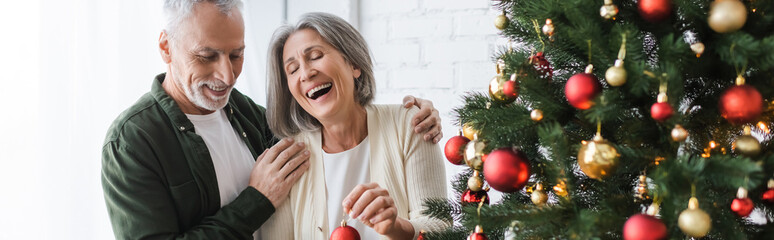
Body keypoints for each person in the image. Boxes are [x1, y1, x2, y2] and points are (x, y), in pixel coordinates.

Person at [101, 1, 443, 239]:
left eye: (236, 54)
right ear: (166, 48)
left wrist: (419, 112)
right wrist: (257, 199)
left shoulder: (249, 116)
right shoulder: (132, 142)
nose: (226, 74)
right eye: (207, 56)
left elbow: (441, 224)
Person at [260, 12, 449, 239]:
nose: (306, 73)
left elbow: (441, 227)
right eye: (292, 70)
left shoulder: (411, 125)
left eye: (316, 56)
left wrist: (396, 227)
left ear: (354, 64)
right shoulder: (286, 162)